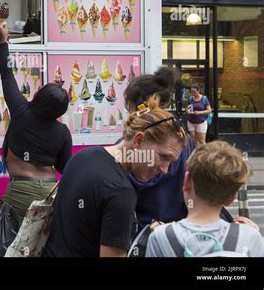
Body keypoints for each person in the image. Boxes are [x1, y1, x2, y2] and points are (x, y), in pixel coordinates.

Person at [43, 102, 187, 257]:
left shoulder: (82, 156)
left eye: (171, 162)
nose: (165, 169)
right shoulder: (120, 191)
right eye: (163, 157)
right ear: (138, 141)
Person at [0, 23, 72, 222]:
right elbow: (65, 168)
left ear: (38, 96)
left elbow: (6, 74)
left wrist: (3, 41)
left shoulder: (21, 111)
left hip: (20, 190)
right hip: (50, 192)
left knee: (9, 246)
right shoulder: (62, 131)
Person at [146, 140, 264, 257]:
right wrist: (254, 237)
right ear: (232, 198)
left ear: (187, 181)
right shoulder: (249, 238)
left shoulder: (160, 237)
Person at [124, 66, 195, 231]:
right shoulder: (184, 140)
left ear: (138, 106)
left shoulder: (131, 144)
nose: (164, 169)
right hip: (177, 233)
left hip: (140, 233)